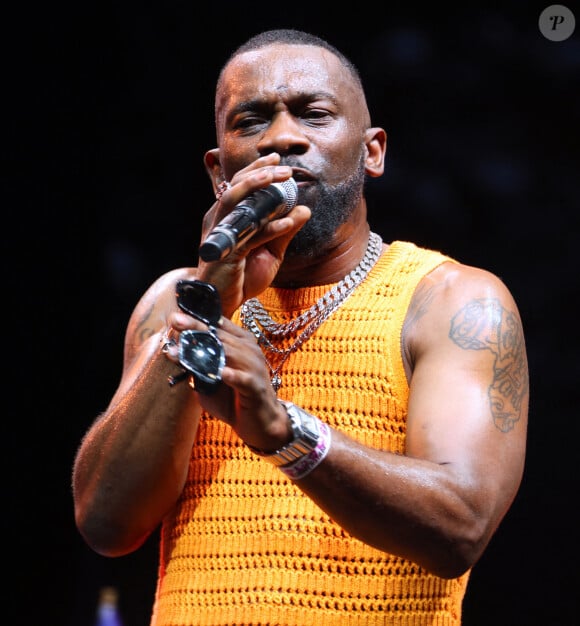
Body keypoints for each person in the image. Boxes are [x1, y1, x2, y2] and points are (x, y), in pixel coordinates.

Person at [72, 29, 529, 626]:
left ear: (372, 152)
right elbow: (108, 524)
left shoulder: (452, 301)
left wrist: (283, 432)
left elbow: (459, 527)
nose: (283, 138)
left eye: (313, 114)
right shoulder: (174, 303)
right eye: (251, 120)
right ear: (218, 171)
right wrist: (204, 306)